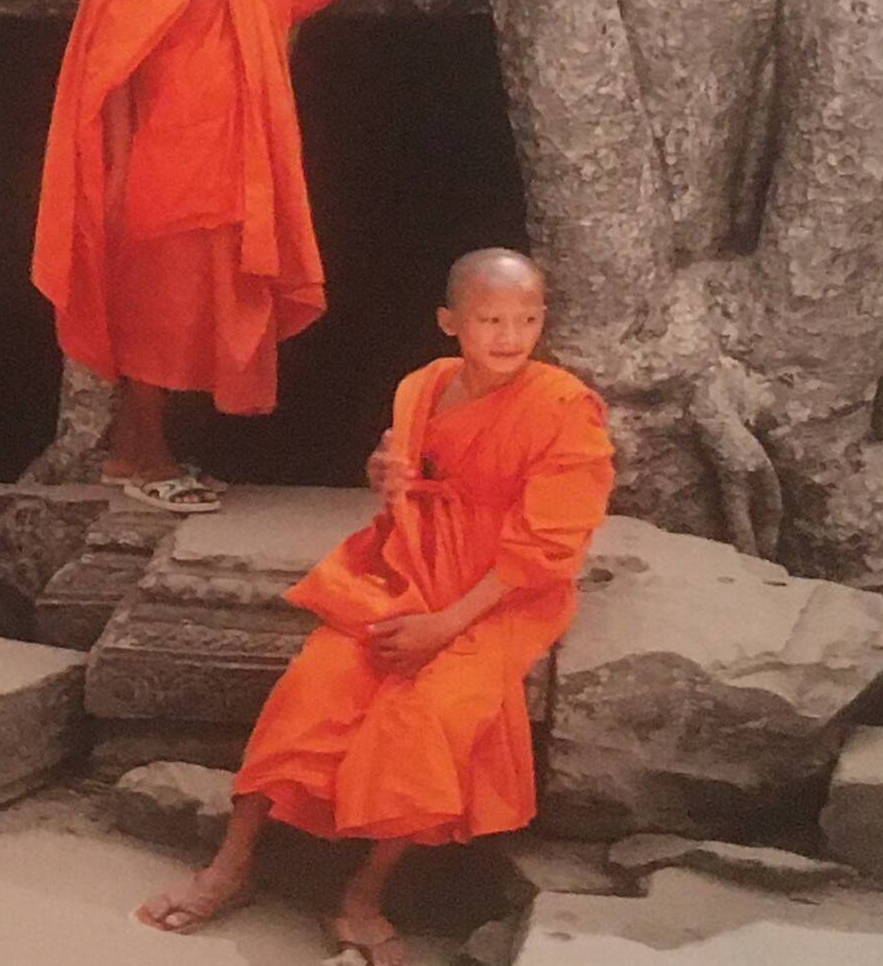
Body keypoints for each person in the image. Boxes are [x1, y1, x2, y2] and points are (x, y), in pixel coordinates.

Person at [136, 248, 615, 964]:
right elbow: (408, 479)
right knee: (314, 687)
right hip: (408, 570)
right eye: (490, 319)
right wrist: (381, 476)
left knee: (430, 717)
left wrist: (444, 627)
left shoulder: (562, 408)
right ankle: (229, 866)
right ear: (450, 322)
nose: (509, 336)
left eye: (526, 319)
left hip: (499, 594)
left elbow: (549, 544)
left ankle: (362, 897)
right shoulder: (424, 386)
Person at [32, 0, 393, 513]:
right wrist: (116, 173)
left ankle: (149, 452)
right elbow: (113, 69)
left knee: (197, 309)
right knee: (155, 317)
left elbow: (278, 3)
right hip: (167, 160)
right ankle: (135, 456)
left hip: (231, 160)